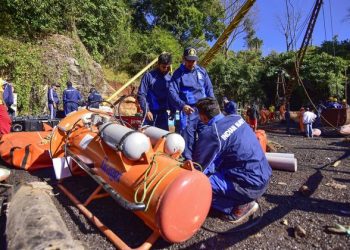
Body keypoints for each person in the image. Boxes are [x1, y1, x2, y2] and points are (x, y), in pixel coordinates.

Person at [192, 97, 272, 223]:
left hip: (250, 187)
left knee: (198, 184)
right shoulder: (237, 118)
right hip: (264, 176)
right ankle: (242, 197)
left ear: (203, 117)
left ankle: (238, 206)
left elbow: (197, 167)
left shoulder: (213, 133)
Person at [169, 47, 215, 160]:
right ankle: (187, 161)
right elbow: (172, 92)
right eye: (188, 60)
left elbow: (209, 89)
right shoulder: (178, 74)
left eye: (193, 60)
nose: (191, 63)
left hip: (203, 110)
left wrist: (212, 107)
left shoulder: (202, 72)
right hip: (187, 111)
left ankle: (203, 161)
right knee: (187, 138)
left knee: (207, 135)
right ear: (183, 59)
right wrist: (182, 105)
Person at [137, 53, 174, 130]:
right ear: (158, 64)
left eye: (168, 67)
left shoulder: (170, 78)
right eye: (164, 67)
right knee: (147, 137)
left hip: (164, 115)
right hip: (150, 113)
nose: (166, 69)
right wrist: (146, 110)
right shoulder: (149, 76)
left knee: (162, 138)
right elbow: (141, 94)